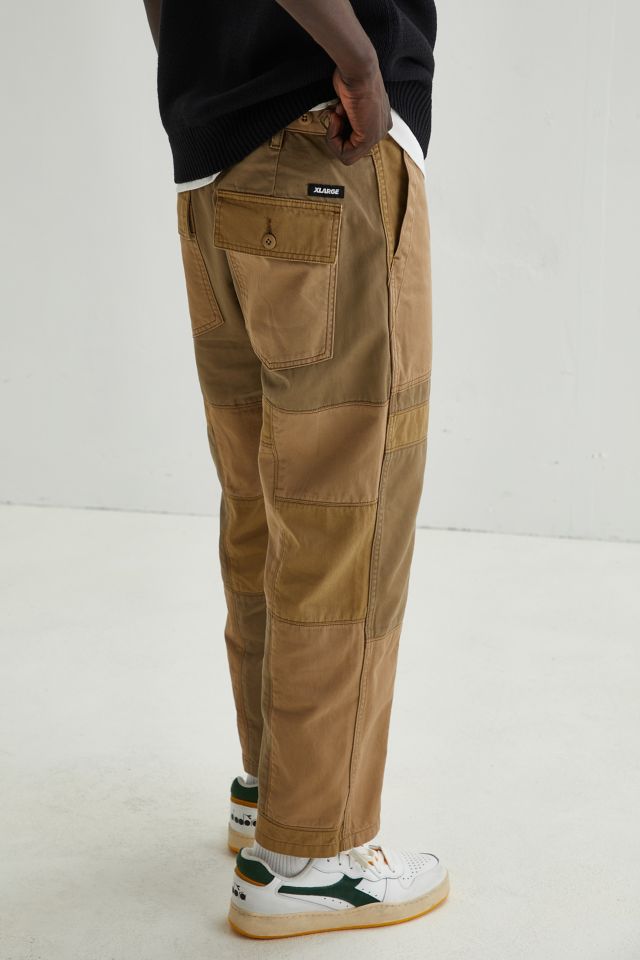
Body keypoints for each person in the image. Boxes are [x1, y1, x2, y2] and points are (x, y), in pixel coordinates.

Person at [142, 0, 448, 939]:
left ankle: (273, 792)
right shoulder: (343, 90)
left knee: (264, 504)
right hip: (324, 141)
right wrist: (360, 65)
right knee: (345, 513)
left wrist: (202, 83)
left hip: (214, 171)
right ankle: (313, 858)